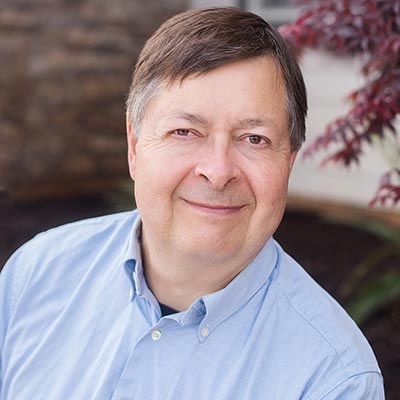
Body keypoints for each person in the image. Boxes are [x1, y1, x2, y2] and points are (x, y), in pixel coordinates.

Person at [0, 7, 384, 400]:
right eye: (184, 131)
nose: (218, 172)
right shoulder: (35, 274)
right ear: (135, 148)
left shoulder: (333, 380)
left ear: (288, 161)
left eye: (254, 138)